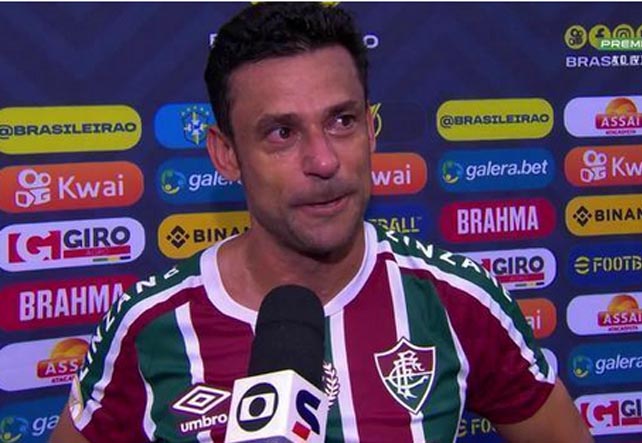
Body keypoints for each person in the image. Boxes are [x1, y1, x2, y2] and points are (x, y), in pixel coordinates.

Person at [51, 3, 593, 443]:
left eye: (341, 121)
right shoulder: (151, 325)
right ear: (226, 154)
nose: (324, 161)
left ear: (371, 130)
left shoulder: (455, 300)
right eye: (282, 133)